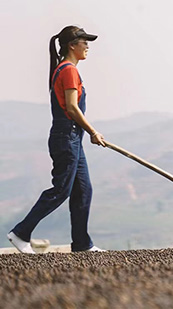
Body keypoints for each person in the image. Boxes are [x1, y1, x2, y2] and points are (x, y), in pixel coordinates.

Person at [7, 26, 107, 253]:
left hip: (72, 139)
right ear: (72, 45)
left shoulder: (64, 69)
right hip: (67, 137)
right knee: (61, 189)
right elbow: (72, 107)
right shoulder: (68, 70)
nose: (87, 46)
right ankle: (21, 233)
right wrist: (93, 131)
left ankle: (82, 244)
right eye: (84, 41)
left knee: (83, 189)